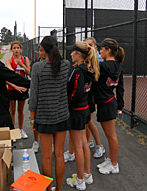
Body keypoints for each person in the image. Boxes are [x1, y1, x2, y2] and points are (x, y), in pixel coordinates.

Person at [29, 36, 70, 191]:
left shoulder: (38, 67)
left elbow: (34, 96)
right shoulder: (65, 65)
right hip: (62, 115)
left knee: (46, 156)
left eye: (40, 49)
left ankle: (49, 188)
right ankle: (58, 189)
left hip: (44, 117)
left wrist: (32, 119)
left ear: (43, 50)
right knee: (59, 155)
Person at [66, 41, 100, 190]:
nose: (71, 54)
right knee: (84, 143)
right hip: (84, 109)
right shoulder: (89, 69)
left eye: (73, 52)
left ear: (79, 54)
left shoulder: (79, 71)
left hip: (77, 111)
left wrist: (67, 103)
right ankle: (87, 174)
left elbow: (76, 93)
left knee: (78, 146)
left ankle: (80, 180)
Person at [94, 38, 124, 174]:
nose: (100, 51)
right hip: (109, 102)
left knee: (111, 136)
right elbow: (120, 88)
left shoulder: (103, 66)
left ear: (108, 50)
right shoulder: (118, 66)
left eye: (102, 49)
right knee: (109, 135)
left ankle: (114, 164)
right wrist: (120, 106)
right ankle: (111, 158)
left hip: (106, 103)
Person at [85, 37, 105, 158]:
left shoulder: (99, 61)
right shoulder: (86, 59)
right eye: (86, 45)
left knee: (89, 121)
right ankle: (90, 141)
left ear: (95, 46)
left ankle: (99, 145)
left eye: (90, 45)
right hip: (87, 93)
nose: (88, 47)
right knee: (86, 121)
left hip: (92, 94)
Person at [5, 41, 30, 139]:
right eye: (14, 48)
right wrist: (15, 86)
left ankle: (20, 129)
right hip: (12, 88)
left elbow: (29, 72)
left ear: (21, 49)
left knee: (20, 110)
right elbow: (10, 73)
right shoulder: (9, 60)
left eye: (18, 48)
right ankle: (12, 130)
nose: (16, 50)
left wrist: (22, 65)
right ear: (11, 50)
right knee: (12, 111)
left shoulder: (25, 59)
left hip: (23, 88)